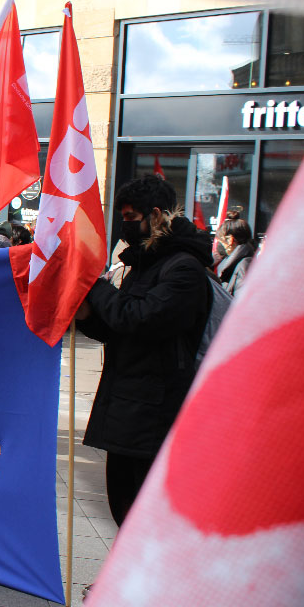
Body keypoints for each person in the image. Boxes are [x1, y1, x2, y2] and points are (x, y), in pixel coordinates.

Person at [74, 175, 212, 526]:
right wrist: (88, 316)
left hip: (154, 411)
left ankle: (139, 580)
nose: (125, 224)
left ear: (155, 215)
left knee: (143, 511)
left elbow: (139, 318)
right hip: (126, 404)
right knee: (122, 503)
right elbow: (118, 327)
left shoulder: (184, 268)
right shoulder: (143, 264)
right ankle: (123, 577)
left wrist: (95, 285)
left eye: (131, 217)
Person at [215, 211, 255, 296]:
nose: (220, 245)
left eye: (221, 241)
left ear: (230, 240)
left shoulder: (244, 264)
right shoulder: (237, 263)